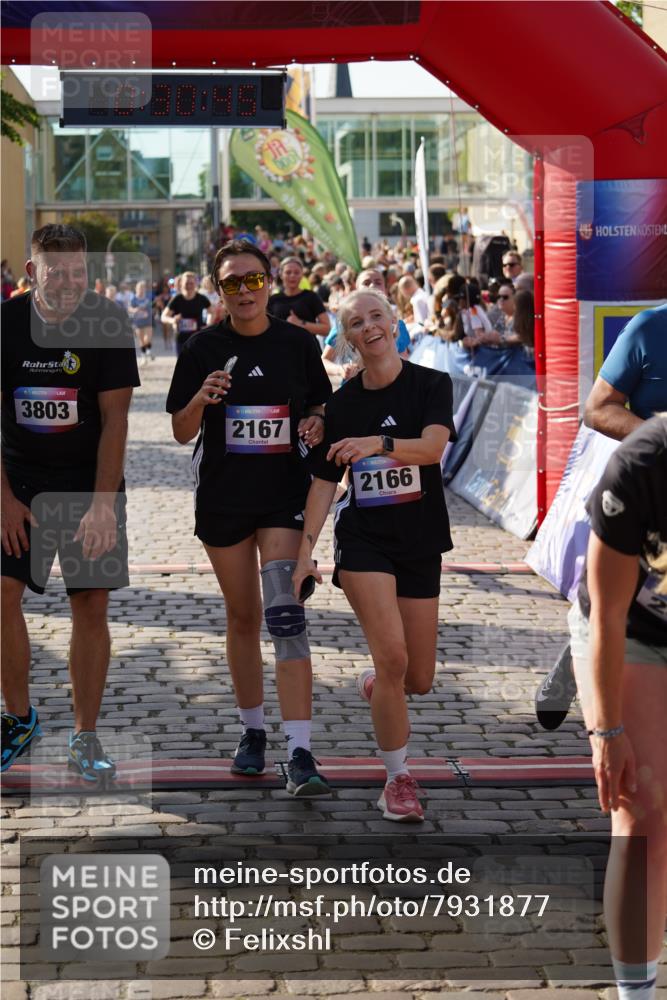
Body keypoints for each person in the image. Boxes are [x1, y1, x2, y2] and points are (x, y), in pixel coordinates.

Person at [166, 240, 333, 797]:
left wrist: (313, 422)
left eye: (253, 280)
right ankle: (253, 732)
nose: (245, 291)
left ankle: (301, 750)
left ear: (269, 283)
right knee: (242, 617)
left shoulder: (295, 344)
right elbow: (181, 431)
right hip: (223, 498)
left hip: (282, 495)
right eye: (232, 283)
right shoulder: (200, 348)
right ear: (219, 290)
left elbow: (319, 404)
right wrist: (201, 399)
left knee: (284, 615)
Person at [293, 289, 456, 821]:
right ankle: (398, 780)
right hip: (364, 539)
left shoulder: (432, 384)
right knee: (392, 658)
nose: (369, 327)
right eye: (356, 322)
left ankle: (377, 686)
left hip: (420, 539)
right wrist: (304, 556)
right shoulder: (342, 405)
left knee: (418, 678)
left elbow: (431, 449)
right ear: (348, 338)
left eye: (376, 316)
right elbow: (322, 484)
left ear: (395, 322)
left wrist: (377, 444)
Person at [1, 224, 140, 778]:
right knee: (2, 592)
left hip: (89, 484)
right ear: (32, 272)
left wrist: (103, 505)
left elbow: (116, 420)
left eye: (77, 272)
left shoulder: (107, 321)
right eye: (55, 272)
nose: (67, 283)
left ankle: (85, 735)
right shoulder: (6, 323)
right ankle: (17, 718)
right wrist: (4, 499)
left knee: (91, 604)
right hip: (21, 481)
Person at [568, 413, 666, 1000]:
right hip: (629, 629)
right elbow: (606, 615)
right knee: (643, 807)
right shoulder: (642, 462)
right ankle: (637, 993)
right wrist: (608, 733)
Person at [536, 303, 667, 729]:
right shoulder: (650, 326)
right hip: (649, 500)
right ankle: (576, 659)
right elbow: (597, 409)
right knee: (625, 600)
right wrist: (658, 441)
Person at [268, 257, 331, 342]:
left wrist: (301, 323)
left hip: (308, 351)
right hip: (281, 351)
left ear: (302, 275)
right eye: (288, 272)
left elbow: (326, 329)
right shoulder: (273, 300)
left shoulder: (311, 296)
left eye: (296, 272)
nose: (292, 275)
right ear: (281, 275)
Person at [161, 271, 210, 355]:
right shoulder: (177, 299)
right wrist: (173, 320)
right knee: (182, 366)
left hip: (198, 339)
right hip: (181, 339)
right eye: (186, 283)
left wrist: (208, 323)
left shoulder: (202, 298)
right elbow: (163, 317)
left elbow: (212, 311)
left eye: (191, 283)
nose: (189, 286)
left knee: (197, 366)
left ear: (195, 284)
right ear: (181, 284)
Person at [129, 279, 154, 366]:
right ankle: (143, 357)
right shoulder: (133, 299)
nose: (141, 289)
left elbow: (153, 304)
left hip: (148, 321)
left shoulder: (148, 297)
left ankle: (148, 351)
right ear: (136, 288)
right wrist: (135, 310)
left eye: (143, 288)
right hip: (138, 322)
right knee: (141, 340)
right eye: (140, 288)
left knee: (147, 338)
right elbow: (130, 308)